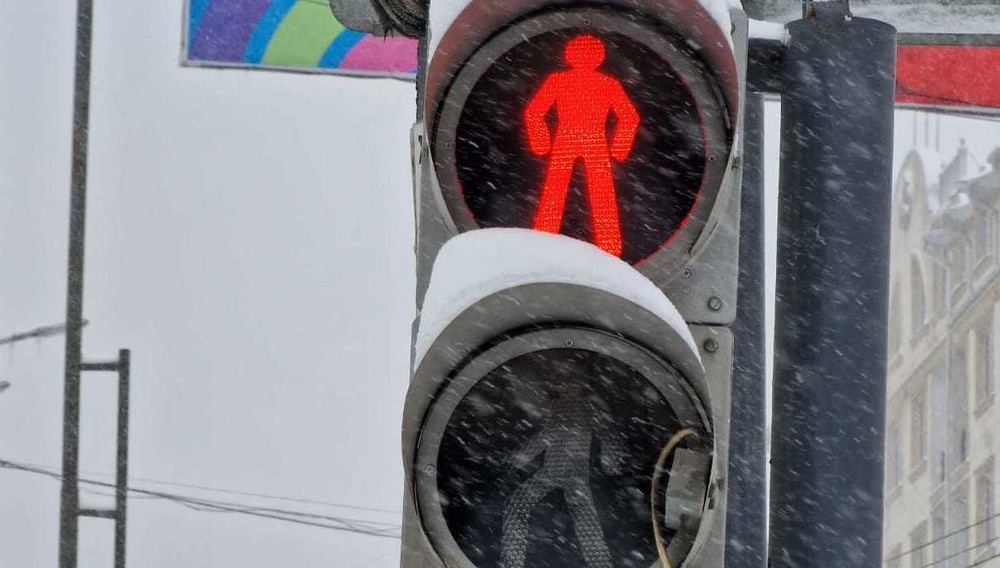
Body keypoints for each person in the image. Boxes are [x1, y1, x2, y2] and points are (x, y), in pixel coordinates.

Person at [524, 34, 639, 257]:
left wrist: (541, 143)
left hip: (567, 139)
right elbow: (629, 117)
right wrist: (619, 148)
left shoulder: (558, 80)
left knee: (555, 193)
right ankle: (609, 250)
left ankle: (542, 245)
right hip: (593, 141)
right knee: (600, 194)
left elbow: (534, 112)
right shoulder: (607, 83)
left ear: (569, 55)